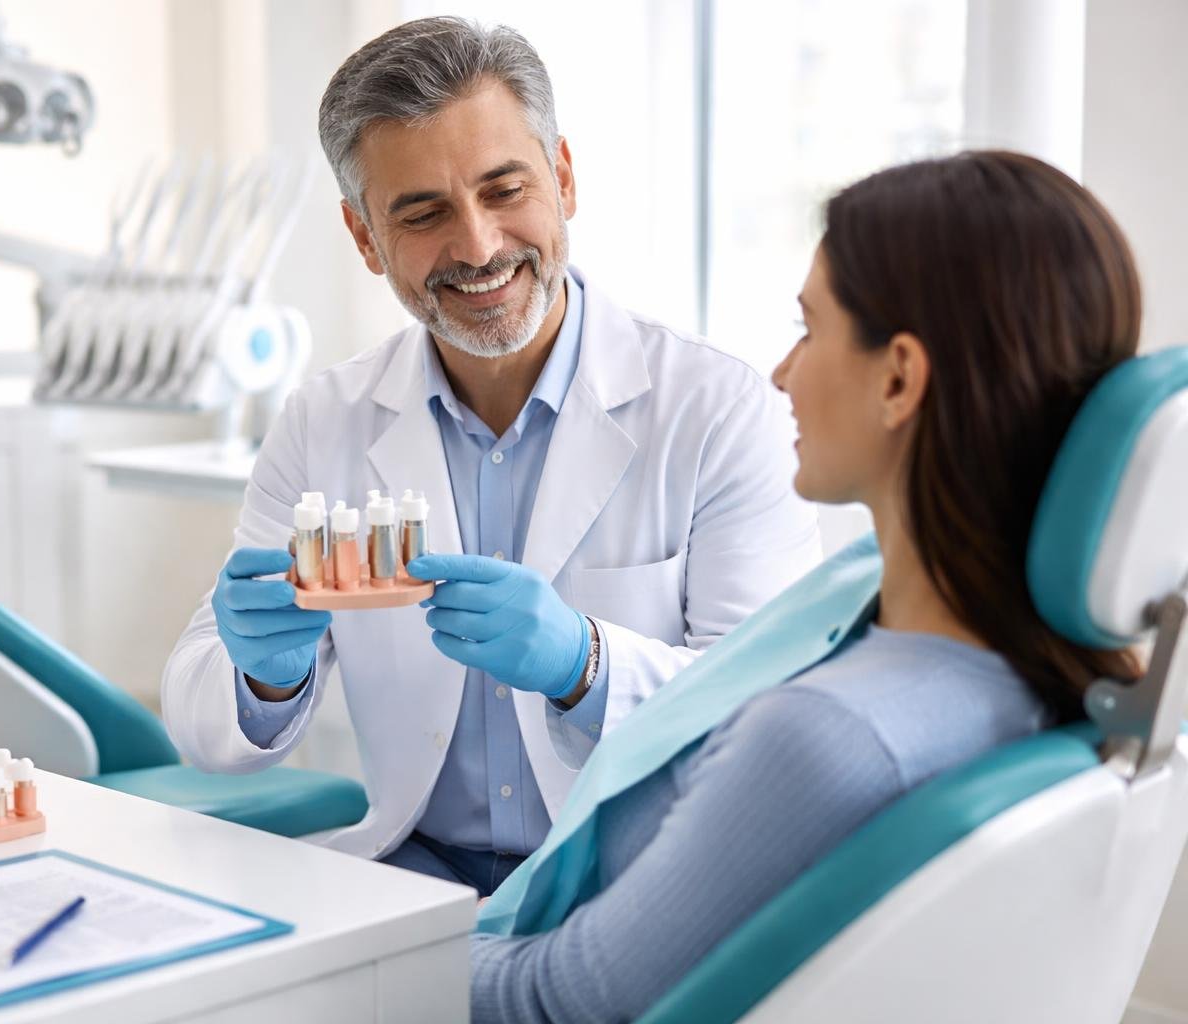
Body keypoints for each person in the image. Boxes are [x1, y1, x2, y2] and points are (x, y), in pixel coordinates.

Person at [467, 149, 1147, 1022]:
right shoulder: (1031, 670)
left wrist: (349, 962)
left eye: (810, 328)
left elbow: (557, 1002)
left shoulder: (830, 736)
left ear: (898, 378)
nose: (783, 373)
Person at [160, 17, 819, 891]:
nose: (477, 245)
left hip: (626, 876)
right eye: (424, 213)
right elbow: (204, 723)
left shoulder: (722, 410)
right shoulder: (325, 420)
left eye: (505, 189)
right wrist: (262, 678)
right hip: (412, 874)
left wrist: (584, 664)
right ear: (364, 238)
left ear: (565, 179)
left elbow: (767, 721)